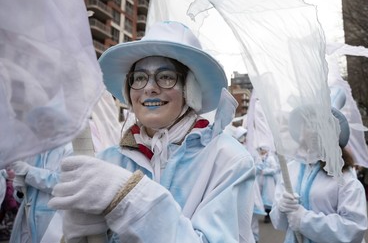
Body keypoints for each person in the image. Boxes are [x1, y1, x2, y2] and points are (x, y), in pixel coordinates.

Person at [49, 21, 257, 242]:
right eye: (139, 78)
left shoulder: (228, 159)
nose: (149, 88)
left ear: (190, 89)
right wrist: (74, 236)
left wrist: (129, 198)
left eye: (166, 76)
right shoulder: (107, 161)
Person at [270, 108, 368, 243]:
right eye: (309, 125)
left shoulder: (344, 176)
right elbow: (279, 224)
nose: (315, 131)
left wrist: (304, 220)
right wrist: (281, 208)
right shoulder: (291, 169)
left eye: (321, 125)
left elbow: (354, 229)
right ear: (301, 130)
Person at [9, 143, 73, 243]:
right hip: (27, 222)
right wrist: (20, 190)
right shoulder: (36, 151)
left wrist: (29, 172)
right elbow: (25, 196)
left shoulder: (69, 148)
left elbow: (64, 182)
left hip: (53, 221)